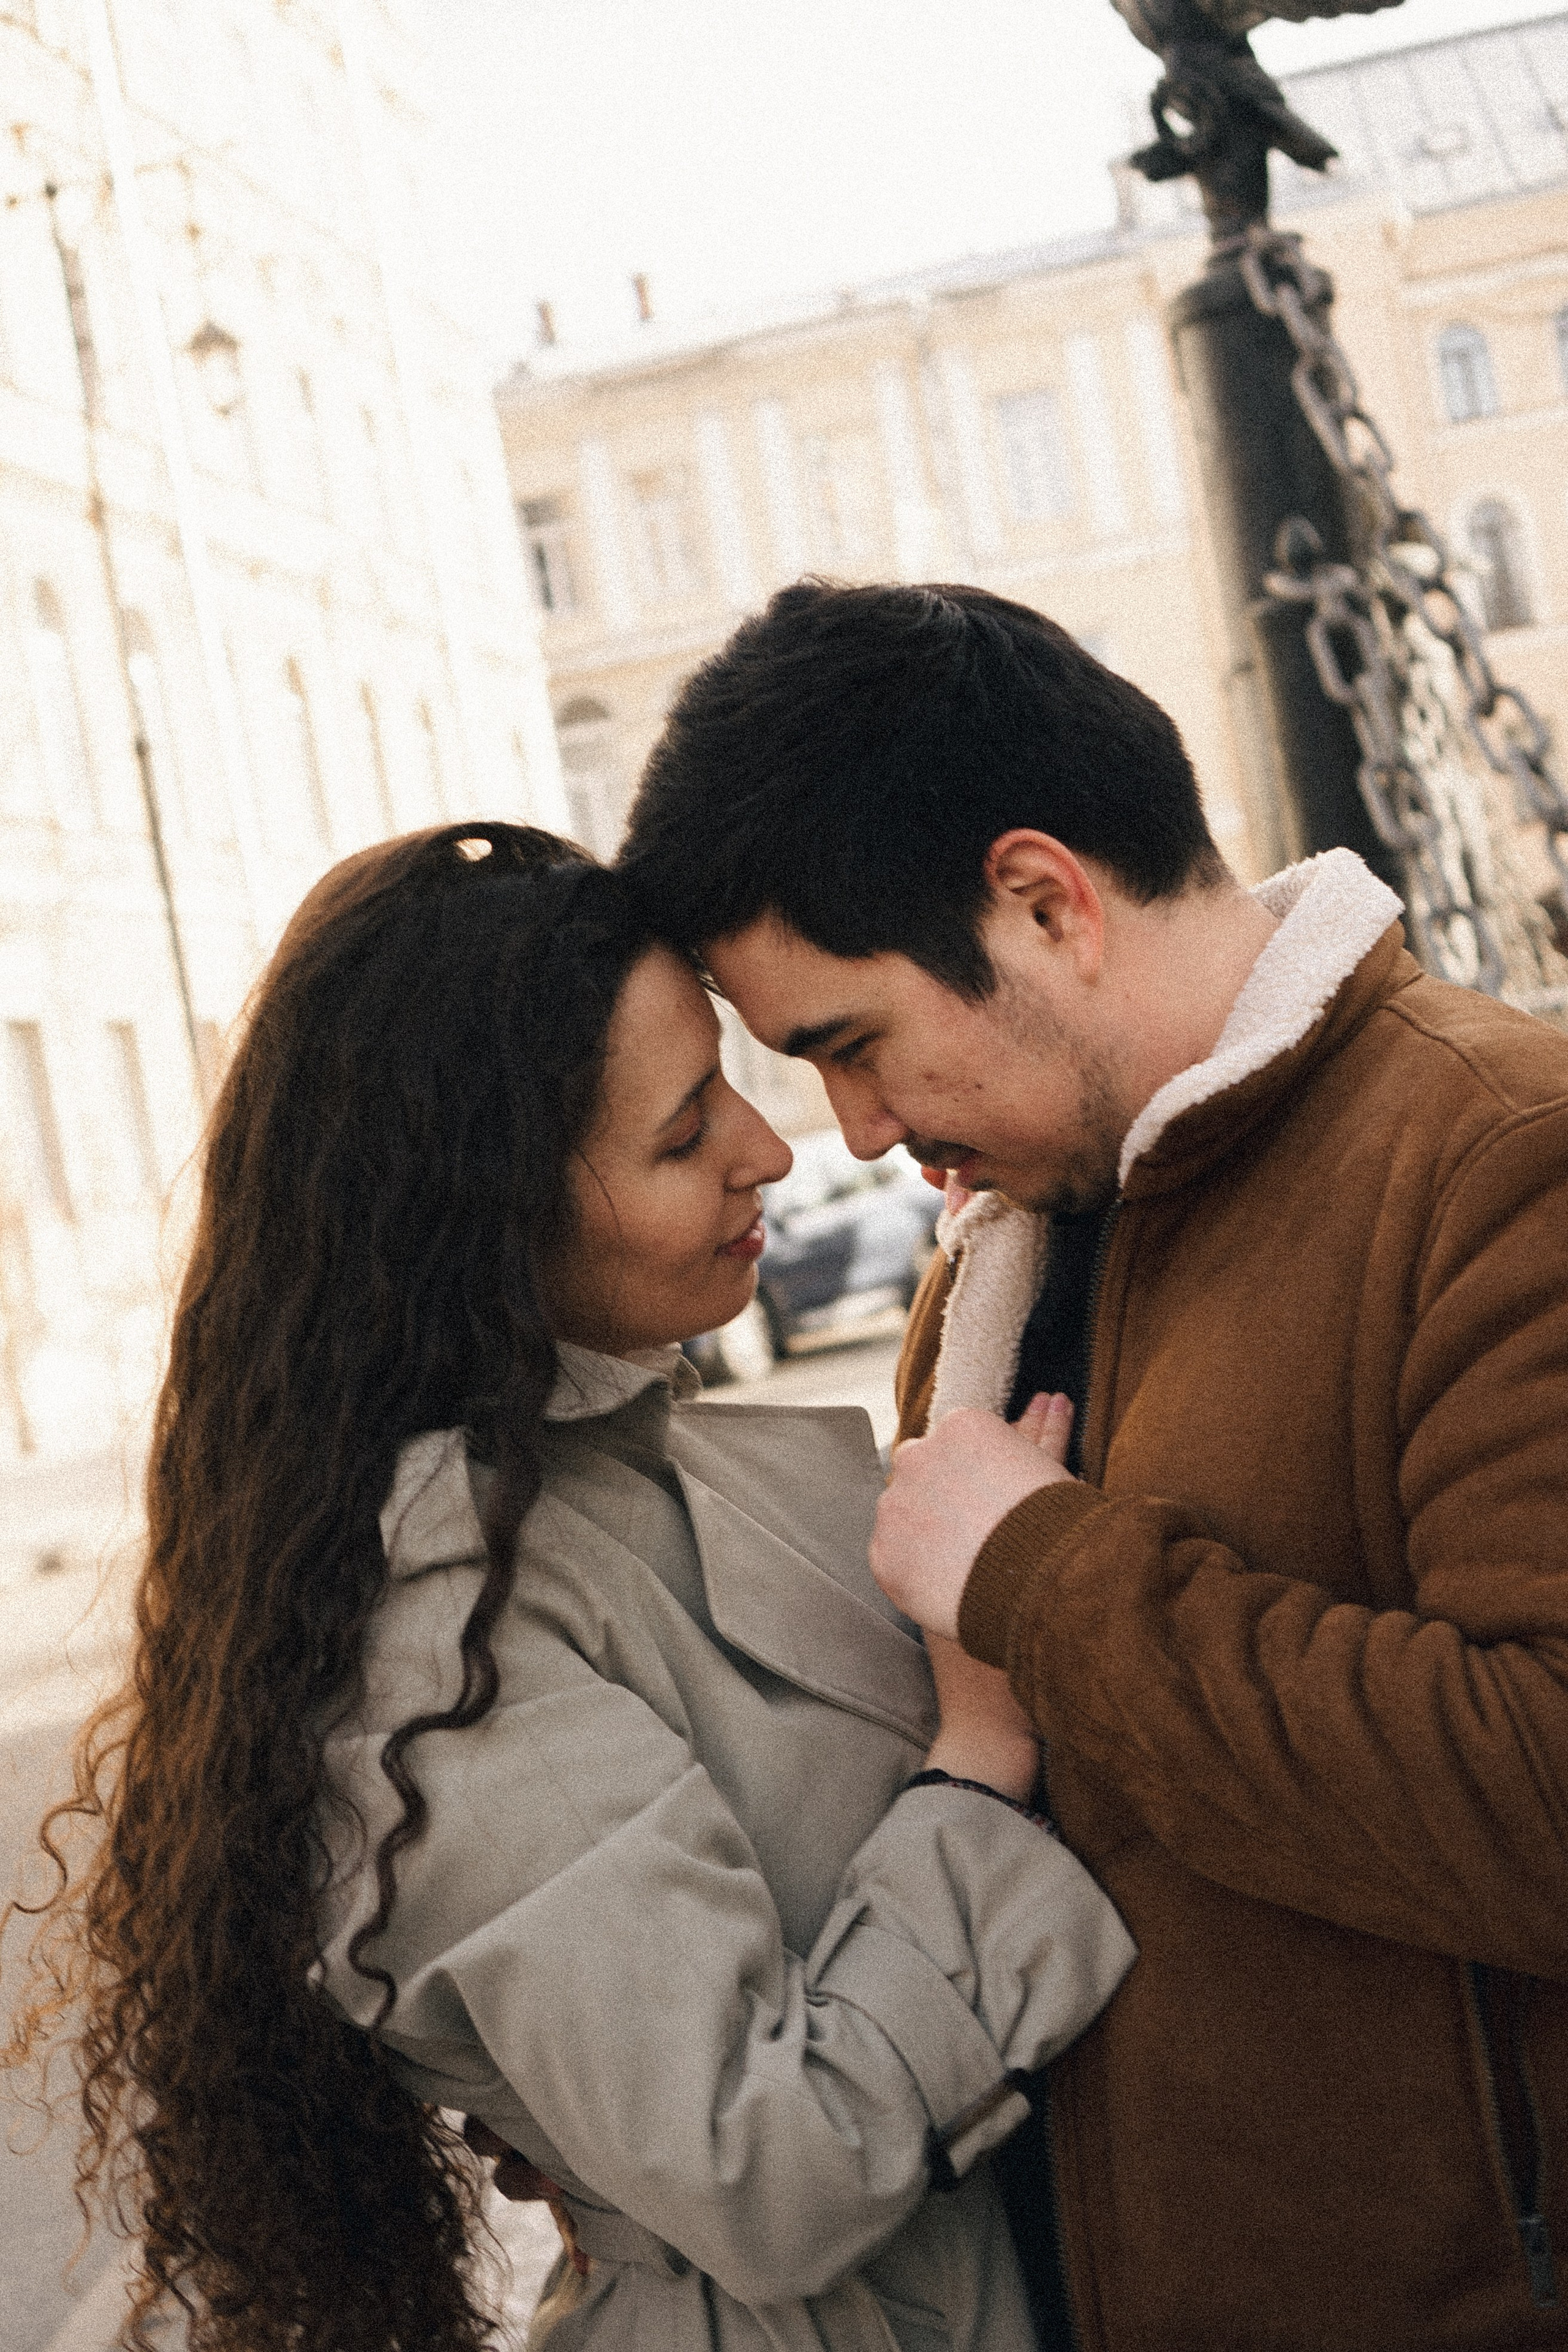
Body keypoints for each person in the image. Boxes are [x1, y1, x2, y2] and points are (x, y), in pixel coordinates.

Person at [6, 820, 1133, 2352]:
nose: (768, 1148)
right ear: (486, 1219)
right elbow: (771, 2165)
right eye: (681, 1134)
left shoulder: (636, 1471)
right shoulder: (436, 1616)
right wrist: (983, 1759)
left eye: (728, 1078)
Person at [616, 578, 1568, 2352]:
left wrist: (1045, 1578)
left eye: (853, 1044)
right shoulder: (1008, 1247)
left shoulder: (1502, 1161)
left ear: (1045, 902)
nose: (860, 1132)